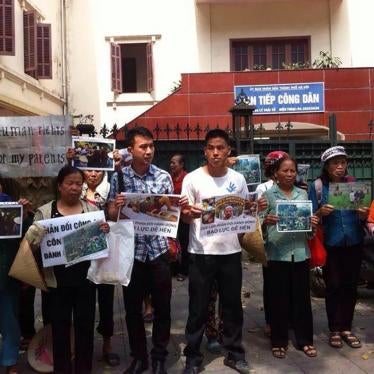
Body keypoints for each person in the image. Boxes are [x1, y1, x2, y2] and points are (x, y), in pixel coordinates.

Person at [181, 129, 266, 374]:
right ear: (205, 151)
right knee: (197, 307)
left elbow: (243, 217)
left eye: (220, 148)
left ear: (228, 150)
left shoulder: (238, 179)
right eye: (211, 148)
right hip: (201, 252)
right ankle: (193, 357)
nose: (216, 152)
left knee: (232, 306)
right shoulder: (192, 179)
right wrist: (190, 214)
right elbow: (185, 219)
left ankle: (234, 353)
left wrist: (254, 209)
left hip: (230, 252)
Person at [109, 127, 185, 374]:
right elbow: (110, 213)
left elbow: (171, 212)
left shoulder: (163, 176)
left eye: (151, 146)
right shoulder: (118, 177)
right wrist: (117, 207)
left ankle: (160, 356)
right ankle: (140, 357)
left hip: (158, 251)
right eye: (143, 147)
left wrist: (178, 206)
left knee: (163, 308)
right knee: (132, 311)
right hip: (132, 254)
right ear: (130, 150)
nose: (149, 151)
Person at [32, 165, 109, 374]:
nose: (74, 188)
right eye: (70, 183)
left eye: (78, 184)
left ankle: (84, 369)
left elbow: (103, 246)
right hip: (56, 283)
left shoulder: (92, 211)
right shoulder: (45, 212)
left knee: (85, 329)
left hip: (85, 281)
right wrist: (37, 235)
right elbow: (31, 245)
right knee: (59, 330)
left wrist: (104, 231)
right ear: (59, 186)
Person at [308, 146, 369, 349]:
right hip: (331, 243)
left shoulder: (353, 184)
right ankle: (334, 328)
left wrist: (362, 214)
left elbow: (363, 218)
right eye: (335, 163)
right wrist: (319, 212)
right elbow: (310, 218)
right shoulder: (317, 187)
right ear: (326, 166)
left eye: (343, 163)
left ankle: (346, 328)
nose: (340, 167)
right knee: (333, 286)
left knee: (350, 286)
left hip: (353, 241)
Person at [262, 157, 319, 359]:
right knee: (278, 300)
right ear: (275, 173)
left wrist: (312, 224)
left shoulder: (302, 194)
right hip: (277, 254)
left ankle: (305, 340)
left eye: (292, 171)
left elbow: (309, 231)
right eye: (284, 171)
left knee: (302, 299)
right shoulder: (268, 196)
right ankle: (279, 340)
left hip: (300, 254)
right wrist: (266, 221)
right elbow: (257, 227)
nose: (289, 174)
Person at [80, 169, 120, 367]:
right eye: (89, 169)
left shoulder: (111, 188)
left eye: (97, 170)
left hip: (104, 254)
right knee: (83, 303)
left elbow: (116, 217)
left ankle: (107, 344)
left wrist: (109, 223)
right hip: (81, 256)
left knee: (106, 300)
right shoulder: (76, 187)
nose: (93, 174)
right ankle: (82, 346)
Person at [255, 150, 289, 338]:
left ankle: (288, 318)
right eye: (281, 168)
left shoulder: (296, 186)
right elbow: (259, 215)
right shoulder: (264, 188)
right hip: (271, 242)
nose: (286, 173)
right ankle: (271, 321)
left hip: (291, 242)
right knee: (272, 285)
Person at [0, 176, 32, 374]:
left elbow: (27, 236)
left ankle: (10, 363)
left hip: (7, 274)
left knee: (10, 320)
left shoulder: (9, 204)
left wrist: (26, 214)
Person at [169, 153, 189, 281]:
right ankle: (174, 269)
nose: (171, 165)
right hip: (171, 216)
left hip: (183, 217)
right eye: (170, 162)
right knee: (172, 243)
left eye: (174, 163)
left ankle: (184, 270)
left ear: (181, 165)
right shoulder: (169, 178)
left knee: (184, 243)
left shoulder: (187, 178)